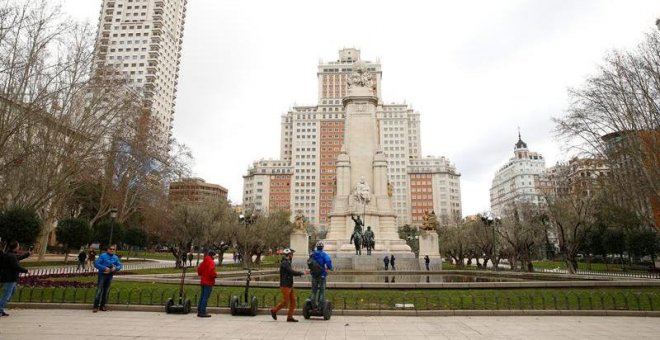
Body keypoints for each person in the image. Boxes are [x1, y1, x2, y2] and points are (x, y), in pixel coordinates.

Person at [270, 248, 306, 322]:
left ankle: (290, 317)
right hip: (285, 285)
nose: (292, 255)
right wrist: (301, 273)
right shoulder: (285, 263)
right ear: (289, 255)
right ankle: (274, 310)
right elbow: (291, 272)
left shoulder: (287, 262)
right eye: (292, 254)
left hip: (289, 285)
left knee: (293, 301)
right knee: (286, 302)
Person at [0, 241, 30, 317]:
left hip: (10, 278)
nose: (19, 247)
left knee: (11, 292)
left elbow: (17, 258)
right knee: (6, 295)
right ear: (16, 247)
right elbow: (16, 266)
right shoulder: (11, 256)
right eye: (18, 246)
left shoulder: (9, 254)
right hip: (10, 278)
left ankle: (1, 308)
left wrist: (27, 254)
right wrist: (26, 271)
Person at [93, 244, 123, 312]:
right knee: (99, 290)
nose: (112, 250)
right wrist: (104, 268)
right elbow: (96, 264)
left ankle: (103, 306)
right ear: (108, 250)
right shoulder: (103, 256)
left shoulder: (115, 257)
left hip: (110, 275)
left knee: (106, 291)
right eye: (111, 249)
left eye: (113, 249)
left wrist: (115, 268)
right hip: (102, 274)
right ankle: (95, 306)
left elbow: (120, 265)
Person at [309, 241, 333, 309]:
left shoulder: (312, 254)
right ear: (322, 247)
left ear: (317, 247)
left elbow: (309, 262)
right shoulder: (324, 255)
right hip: (322, 275)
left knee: (314, 291)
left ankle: (313, 306)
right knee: (322, 291)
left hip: (314, 274)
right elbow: (328, 262)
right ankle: (320, 306)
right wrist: (330, 268)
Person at [196, 250, 217, 318]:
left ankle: (199, 311)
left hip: (203, 281)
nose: (215, 257)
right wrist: (215, 275)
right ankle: (203, 312)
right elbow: (211, 271)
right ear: (212, 255)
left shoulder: (204, 261)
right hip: (208, 282)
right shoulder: (211, 262)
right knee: (205, 297)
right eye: (215, 256)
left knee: (202, 297)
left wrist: (202, 274)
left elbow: (199, 270)